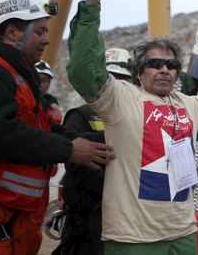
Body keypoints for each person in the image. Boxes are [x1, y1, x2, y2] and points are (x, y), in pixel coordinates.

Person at [66, 0, 198, 254]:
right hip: (134, 238)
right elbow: (83, 68)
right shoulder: (120, 98)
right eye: (155, 64)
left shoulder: (188, 105)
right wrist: (93, 0)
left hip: (183, 232)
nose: (164, 69)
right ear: (139, 71)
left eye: (171, 65)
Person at [0, 0, 114, 255]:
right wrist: (69, 150)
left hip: (13, 217)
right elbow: (0, 133)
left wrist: (91, 140)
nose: (47, 40)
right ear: (13, 32)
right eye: (40, 31)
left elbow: (41, 127)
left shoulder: (17, 73)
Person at [54, 47, 133, 255]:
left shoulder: (140, 119)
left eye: (122, 78)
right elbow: (81, 170)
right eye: (110, 78)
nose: (116, 84)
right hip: (88, 225)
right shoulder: (80, 116)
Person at [35, 60, 63, 124]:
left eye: (44, 81)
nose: (41, 84)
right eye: (37, 79)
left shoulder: (55, 113)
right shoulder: (21, 103)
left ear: (49, 84)